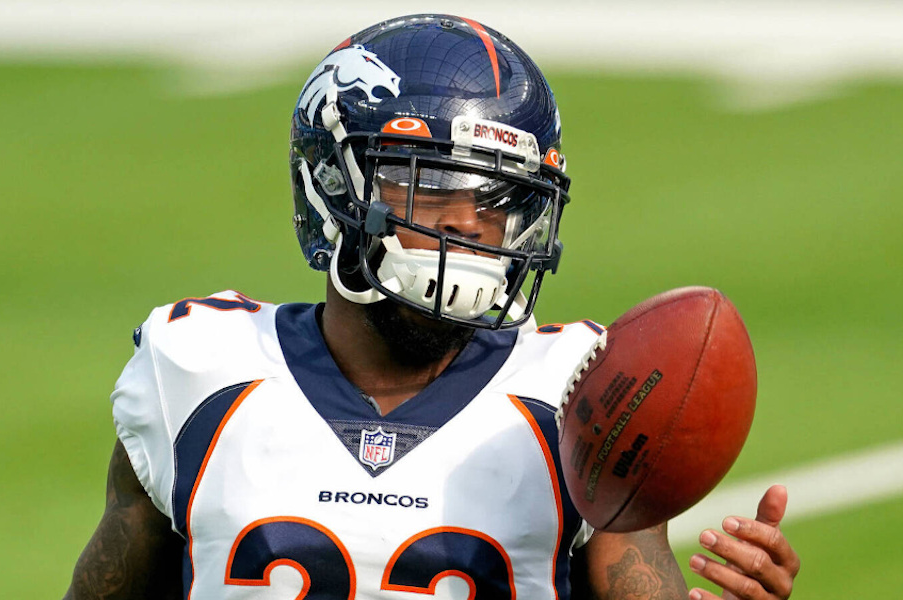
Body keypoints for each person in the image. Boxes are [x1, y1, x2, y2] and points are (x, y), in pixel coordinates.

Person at [66, 14, 800, 600]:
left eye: (499, 198)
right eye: (429, 185)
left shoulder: (576, 398)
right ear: (333, 183)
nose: (466, 224)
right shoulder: (198, 371)